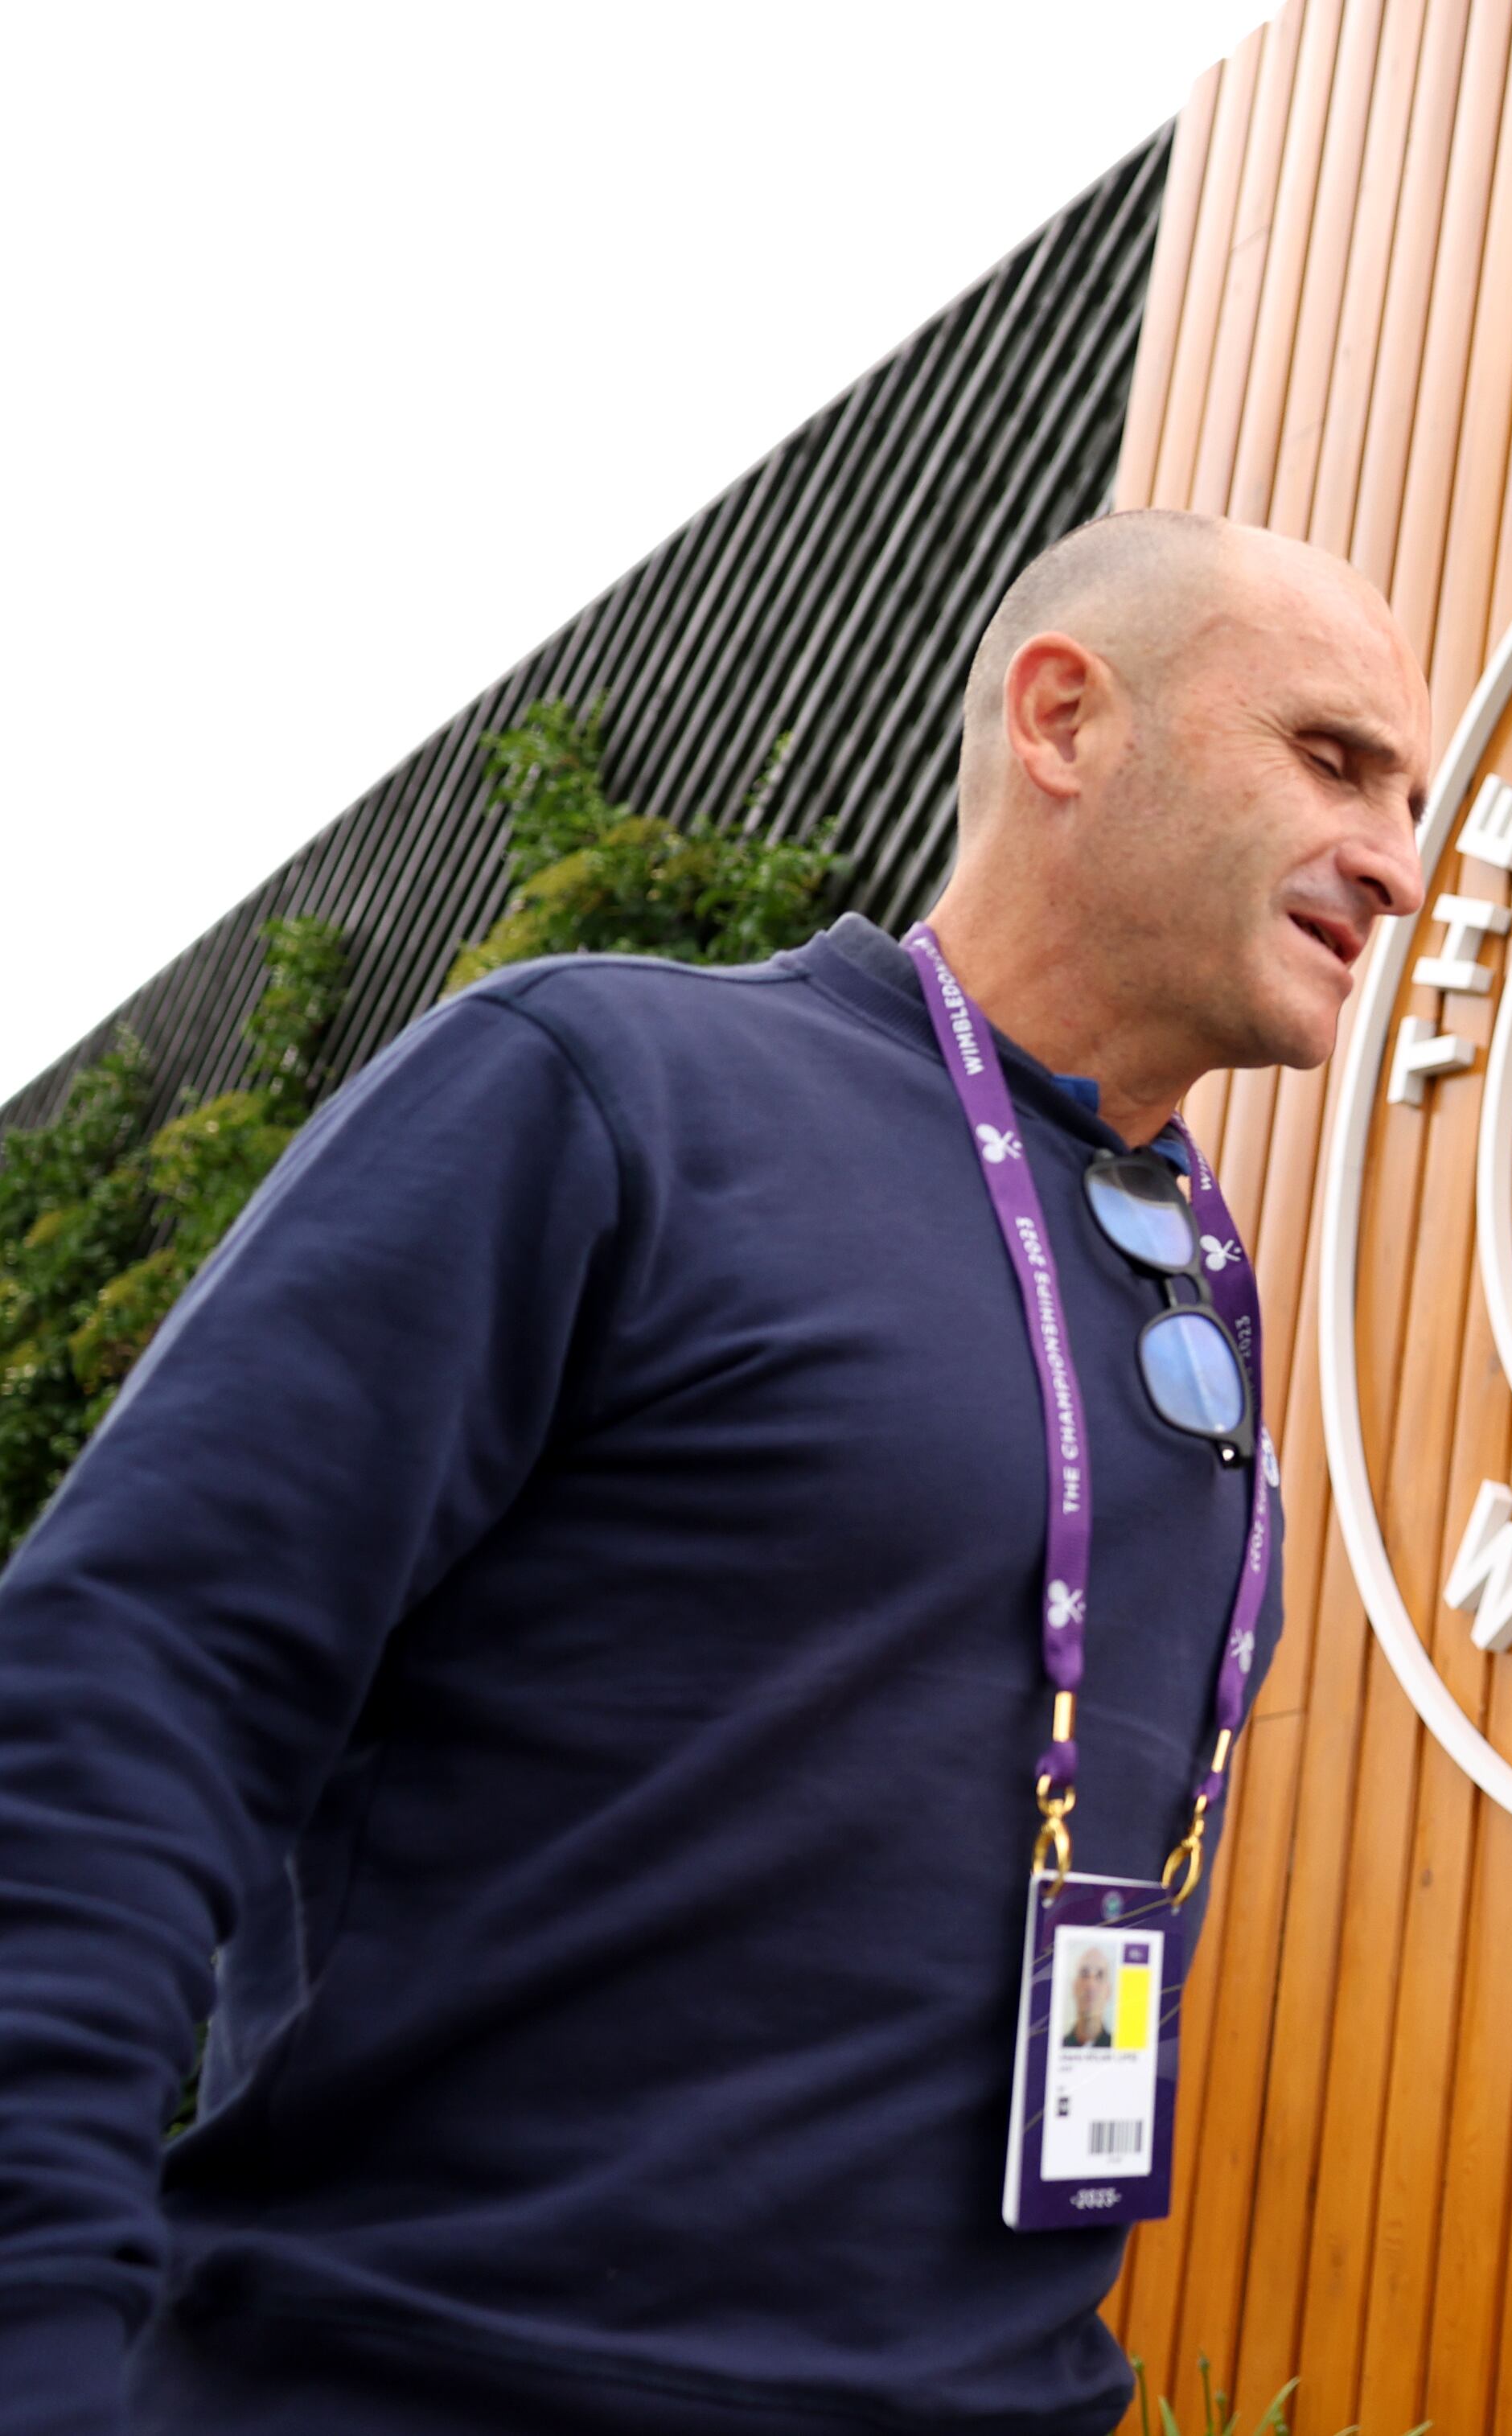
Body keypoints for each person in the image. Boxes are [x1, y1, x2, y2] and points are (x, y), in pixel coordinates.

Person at [0, 510, 1427, 2435]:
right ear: (1067, 722)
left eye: (1412, 801)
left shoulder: (1193, 1300)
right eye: (1333, 760)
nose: (1399, 866)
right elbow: (128, 1692)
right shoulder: (602, 1084)